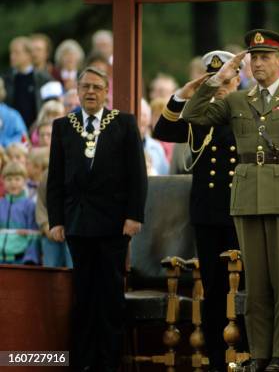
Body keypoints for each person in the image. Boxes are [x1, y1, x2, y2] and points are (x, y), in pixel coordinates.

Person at [181, 29, 279, 372]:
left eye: (266, 57)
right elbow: (193, 114)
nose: (259, 63)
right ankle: (259, 355)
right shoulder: (236, 100)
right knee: (256, 285)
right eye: (254, 58)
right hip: (247, 198)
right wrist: (218, 78)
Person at [47, 66, 147, 371]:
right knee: (84, 298)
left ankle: (110, 362)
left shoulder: (124, 124)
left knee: (110, 298)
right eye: (85, 87)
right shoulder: (64, 126)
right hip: (77, 224)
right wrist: (55, 220)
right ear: (77, 91)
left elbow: (137, 176)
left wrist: (134, 215)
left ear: (106, 92)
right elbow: (55, 178)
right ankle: (83, 362)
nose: (91, 92)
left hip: (114, 225)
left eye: (97, 87)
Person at [153, 50, 243, 372]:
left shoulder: (246, 112)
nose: (220, 88)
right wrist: (182, 95)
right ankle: (218, 359)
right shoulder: (199, 118)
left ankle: (244, 356)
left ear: (238, 81)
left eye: (226, 81)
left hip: (241, 214)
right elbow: (161, 131)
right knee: (215, 288)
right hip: (208, 214)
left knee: (243, 288)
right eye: (214, 82)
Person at [2, 36, 52, 128]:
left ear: (29, 54)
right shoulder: (6, 79)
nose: (12, 56)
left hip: (37, 132)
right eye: (11, 53)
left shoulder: (44, 79)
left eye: (16, 53)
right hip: (13, 132)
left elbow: (50, 107)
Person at [0, 161, 40, 265]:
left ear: (25, 181)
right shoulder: (0, 203)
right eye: (9, 179)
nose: (13, 183)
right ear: (3, 181)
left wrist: (30, 258)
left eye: (17, 179)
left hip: (20, 259)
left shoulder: (29, 205)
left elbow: (34, 234)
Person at [0, 77, 28, 148]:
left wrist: (3, 144)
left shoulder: (12, 115)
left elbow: (22, 137)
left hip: (9, 156)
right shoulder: (13, 114)